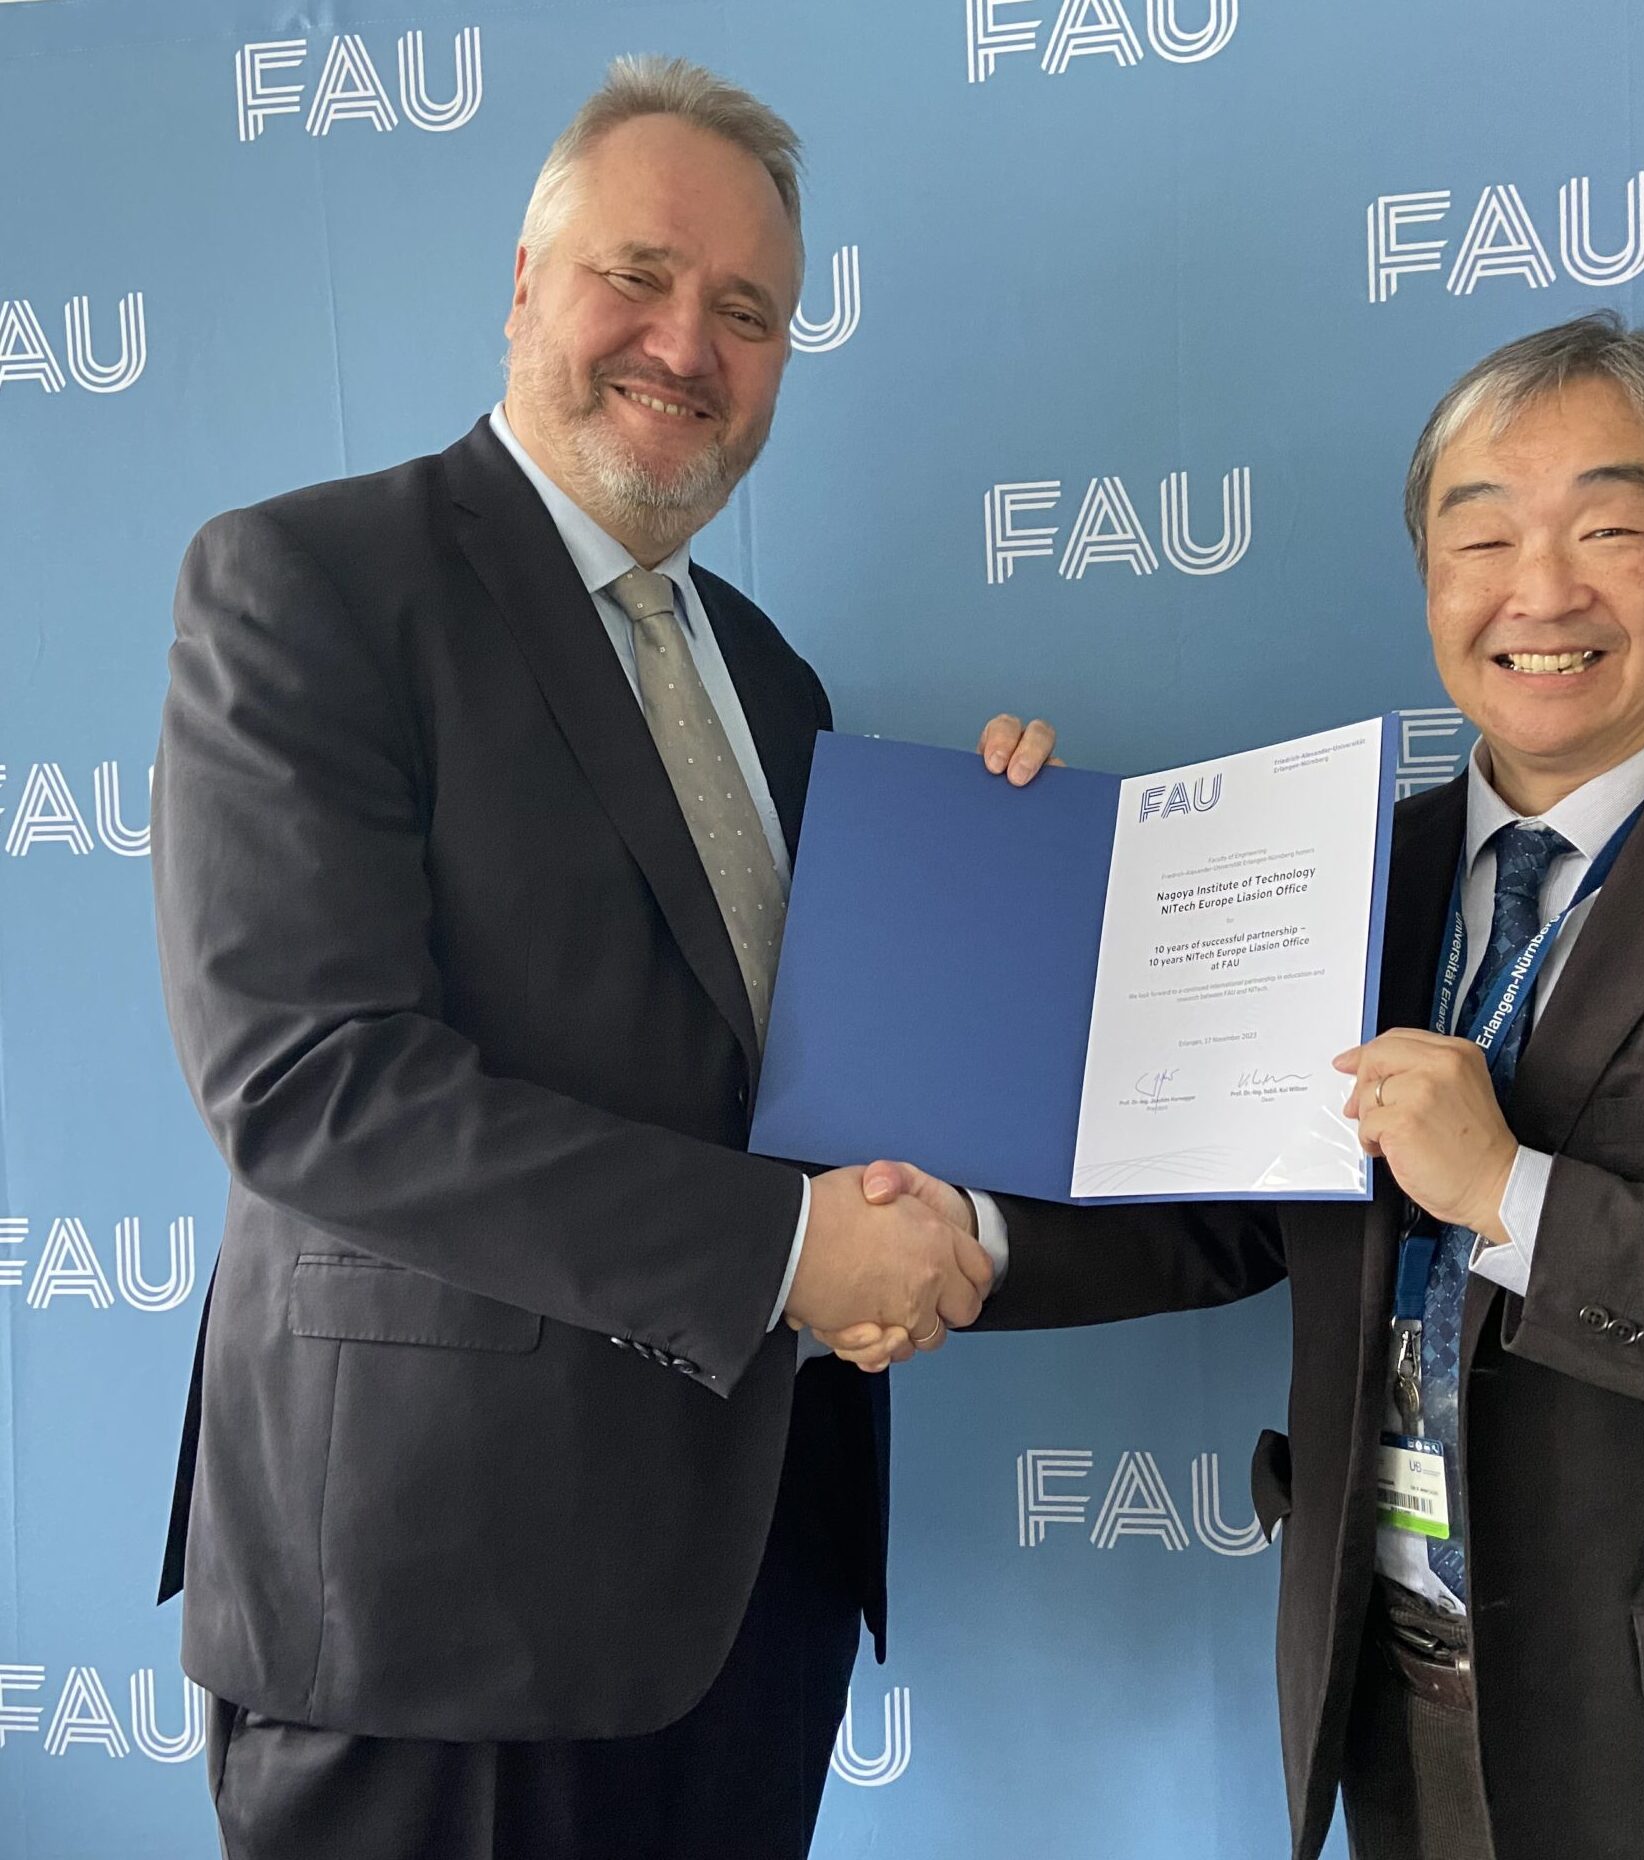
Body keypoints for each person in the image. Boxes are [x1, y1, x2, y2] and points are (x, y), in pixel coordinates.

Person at [831, 312, 1644, 1860]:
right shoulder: (1336, 879)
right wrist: (961, 1237)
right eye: (1480, 537)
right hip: (1398, 1727)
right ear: (1428, 576)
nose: (1539, 592)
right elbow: (1233, 1211)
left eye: (1607, 529)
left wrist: (1512, 1197)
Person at [150, 55, 1052, 1860]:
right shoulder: (311, 582)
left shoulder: (771, 679)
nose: (686, 344)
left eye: (748, 312)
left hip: (751, 1598)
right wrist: (791, 1250)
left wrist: (992, 876)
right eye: (637, 276)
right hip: (431, 1621)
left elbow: (796, 1078)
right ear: (523, 284)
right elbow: (313, 1086)